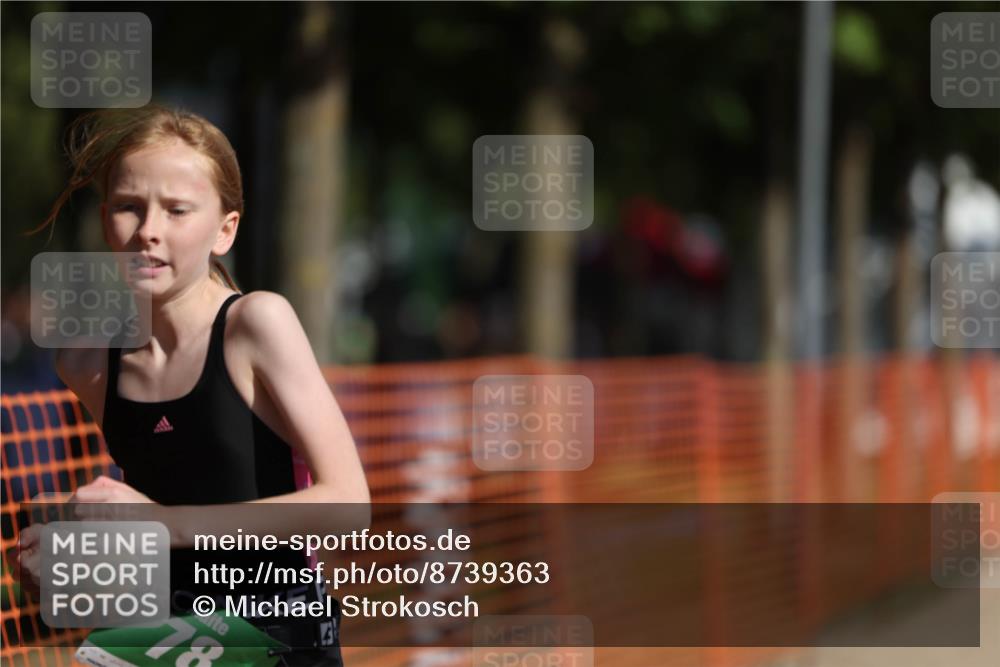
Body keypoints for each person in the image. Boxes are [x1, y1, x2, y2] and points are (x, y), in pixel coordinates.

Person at [16, 105, 370, 666]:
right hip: (165, 636)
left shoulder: (256, 324)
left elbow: (349, 504)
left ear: (224, 230)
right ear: (107, 217)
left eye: (177, 210)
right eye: (129, 207)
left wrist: (158, 524)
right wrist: (71, 565)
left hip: (278, 639)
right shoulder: (85, 362)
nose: (148, 231)